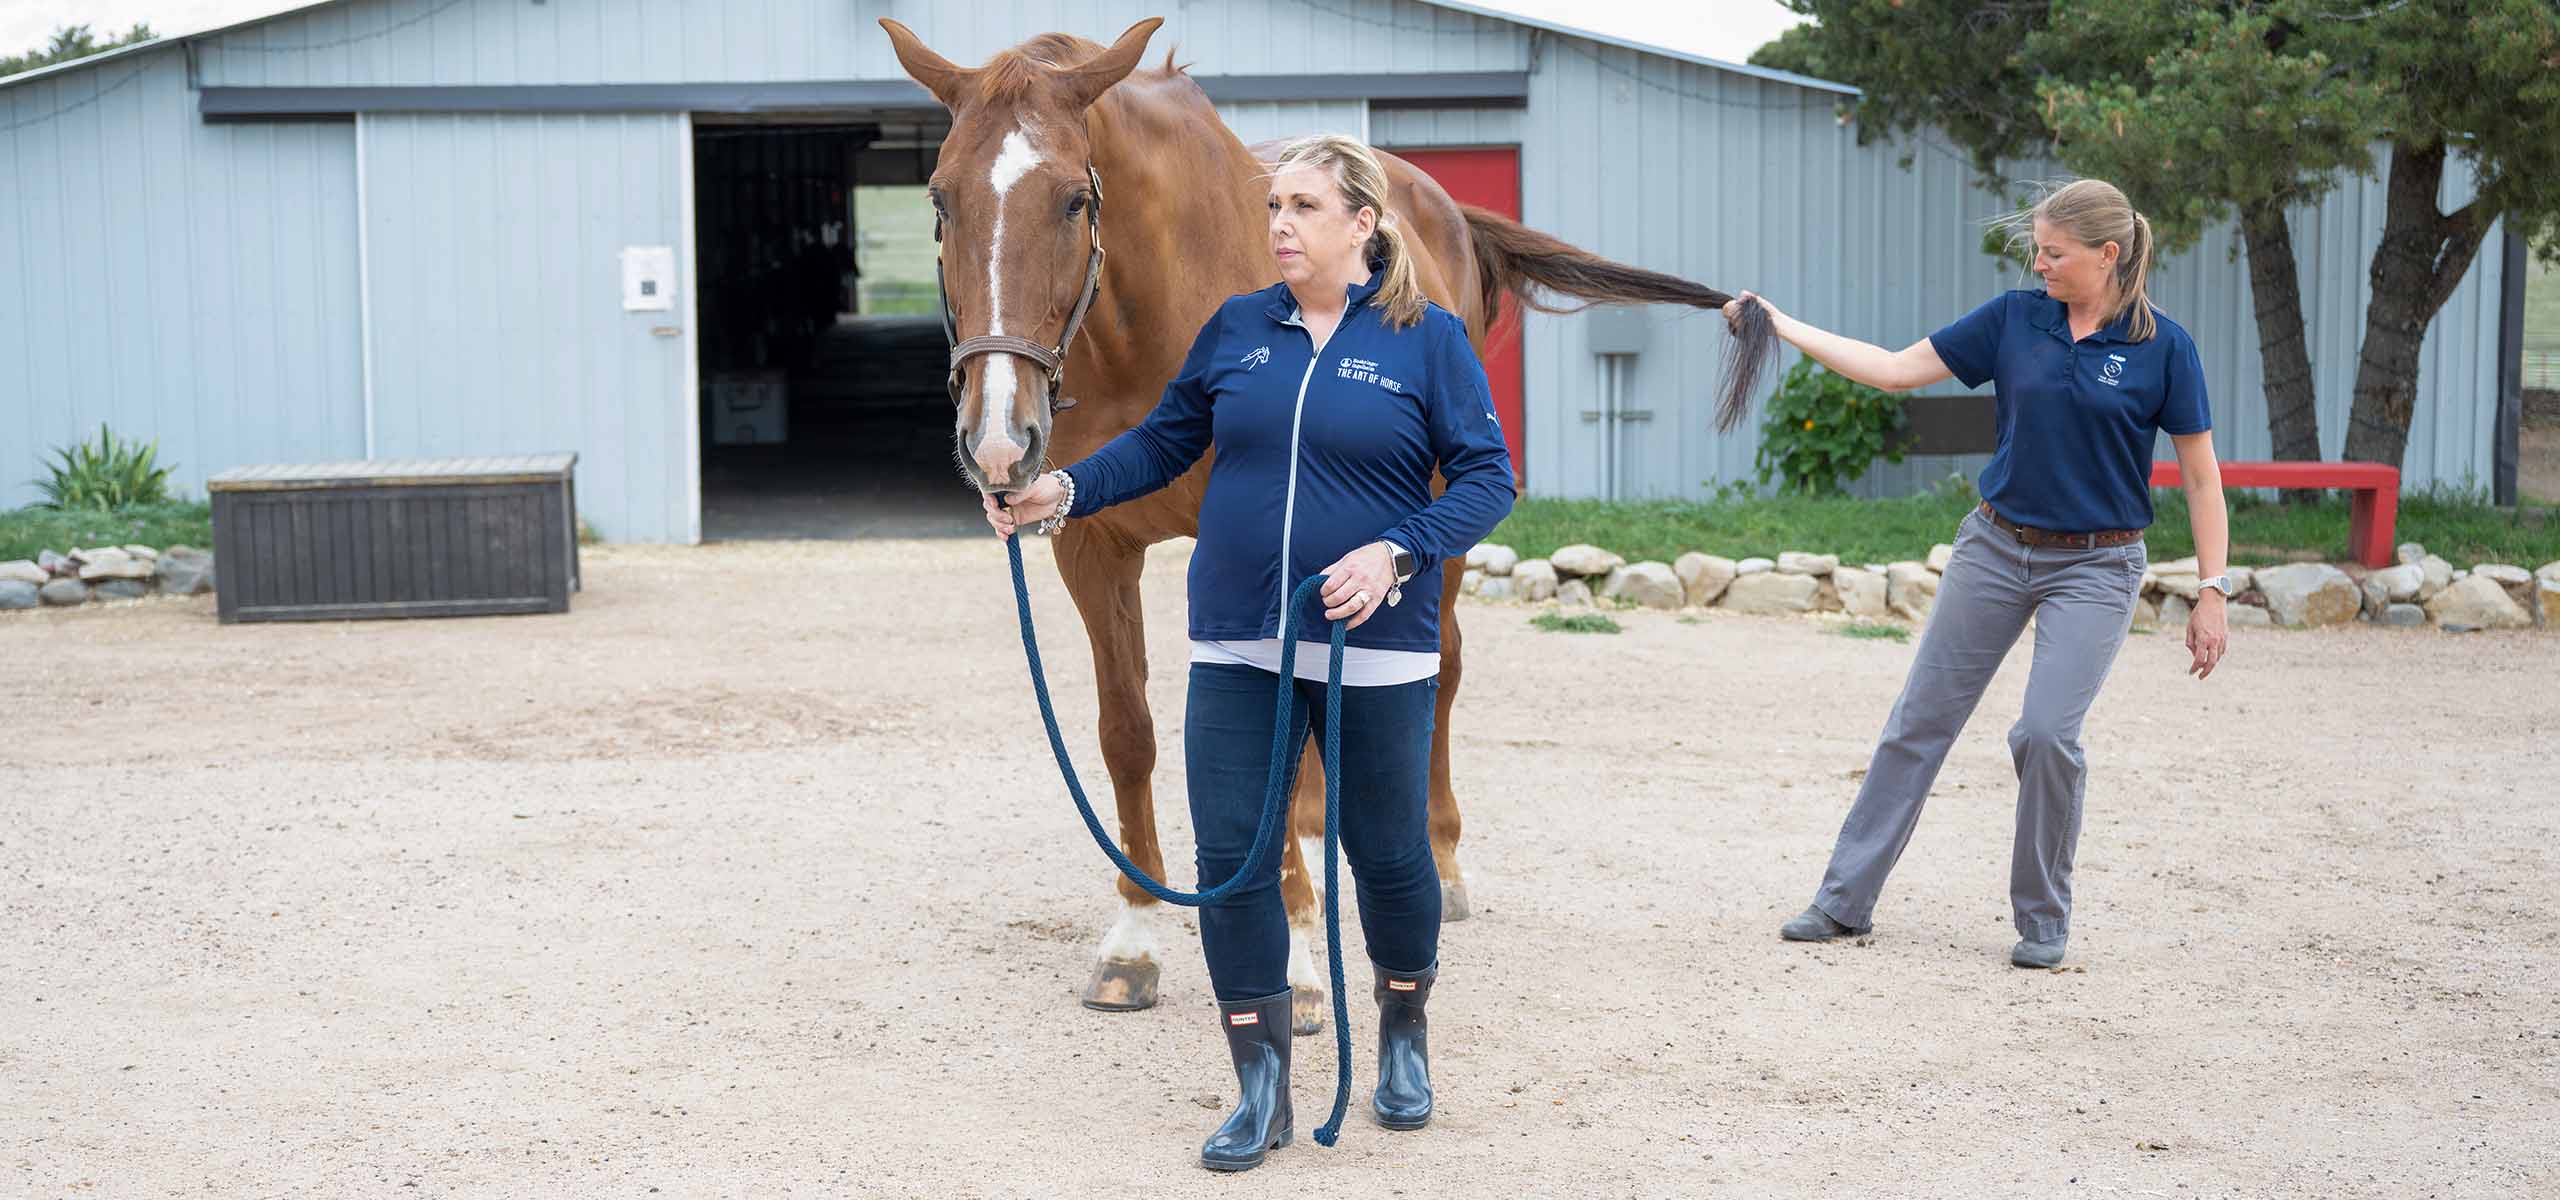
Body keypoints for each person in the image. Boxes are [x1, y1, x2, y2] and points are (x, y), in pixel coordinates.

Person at [986, 133, 1515, 1170]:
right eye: (1274, 205)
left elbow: (1488, 477)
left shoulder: (1426, 339)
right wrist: (1066, 490)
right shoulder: (1237, 330)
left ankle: (1403, 1028)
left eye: (1304, 206)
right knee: (1231, 862)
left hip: (1374, 646)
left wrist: (1401, 549)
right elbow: (1166, 440)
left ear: (1362, 224)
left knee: (1388, 854)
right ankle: (1259, 1085)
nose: (1278, 224)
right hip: (1238, 642)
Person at [1728, 178, 2231, 969]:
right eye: (2037, 247)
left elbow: (2202, 478)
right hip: (1996, 548)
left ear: (2107, 255)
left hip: (2097, 564)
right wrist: (1781, 324)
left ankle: (2042, 919)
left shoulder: (2163, 345)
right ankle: (1843, 901)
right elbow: (1893, 369)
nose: (2039, 261)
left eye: (2054, 252)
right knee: (1918, 721)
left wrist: (2213, 589)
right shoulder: (2014, 317)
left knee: (2046, 734)